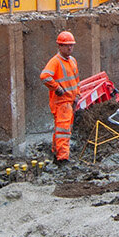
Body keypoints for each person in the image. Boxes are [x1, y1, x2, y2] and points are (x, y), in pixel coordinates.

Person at [39, 30, 82, 162]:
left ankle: (55, 152)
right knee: (63, 131)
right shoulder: (55, 62)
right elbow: (45, 76)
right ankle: (62, 158)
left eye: (71, 45)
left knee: (62, 130)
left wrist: (77, 95)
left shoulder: (72, 61)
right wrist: (57, 88)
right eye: (67, 45)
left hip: (70, 101)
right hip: (62, 102)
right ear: (60, 46)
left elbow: (76, 80)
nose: (70, 47)